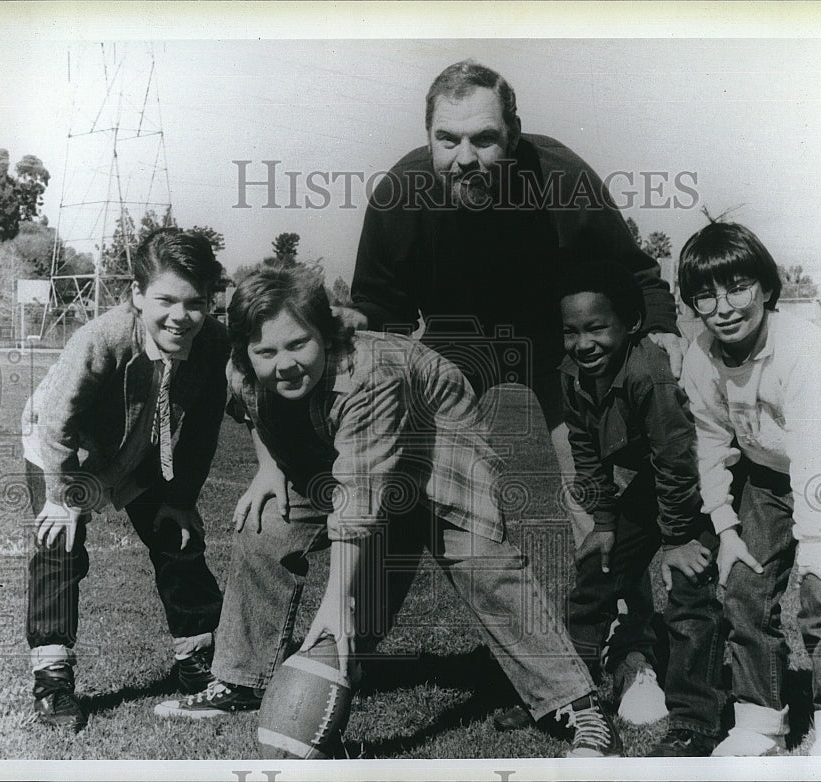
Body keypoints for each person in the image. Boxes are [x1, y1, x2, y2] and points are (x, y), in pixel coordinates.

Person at [155, 262, 624, 758]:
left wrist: (338, 602)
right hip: (347, 454)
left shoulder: (369, 371)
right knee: (267, 523)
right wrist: (269, 469)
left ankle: (579, 708)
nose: (284, 363)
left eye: (299, 344)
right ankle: (242, 681)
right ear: (246, 353)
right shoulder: (242, 370)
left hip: (437, 446)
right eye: (266, 351)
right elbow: (250, 410)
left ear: (328, 334)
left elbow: (360, 493)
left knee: (482, 564)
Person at [341, 60, 684, 550]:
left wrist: (661, 331)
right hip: (454, 340)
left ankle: (617, 613)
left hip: (552, 340)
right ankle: (368, 604)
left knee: (586, 477)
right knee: (418, 470)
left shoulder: (562, 179)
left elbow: (634, 275)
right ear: (428, 137)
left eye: (483, 139)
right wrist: (354, 324)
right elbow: (381, 308)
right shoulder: (399, 194)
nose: (464, 158)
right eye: (447, 140)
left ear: (514, 134)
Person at [677, 220, 821, 756]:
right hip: (769, 469)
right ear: (692, 306)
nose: (724, 307)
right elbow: (709, 443)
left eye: (737, 287)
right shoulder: (700, 355)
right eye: (705, 296)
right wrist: (726, 529)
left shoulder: (801, 345)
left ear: (768, 289)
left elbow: (818, 447)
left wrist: (817, 540)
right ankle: (758, 721)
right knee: (745, 587)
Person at [21, 229, 229, 730]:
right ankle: (52, 680)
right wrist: (61, 496)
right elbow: (55, 424)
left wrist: (181, 498)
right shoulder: (103, 337)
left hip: (144, 449)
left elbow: (202, 426)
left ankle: (199, 663)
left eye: (195, 303)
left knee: (178, 538)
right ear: (136, 295)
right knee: (60, 545)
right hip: (67, 452)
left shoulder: (214, 341)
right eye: (165, 300)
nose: (180, 316)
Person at [552, 256, 724, 756]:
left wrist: (676, 538)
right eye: (571, 332)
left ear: (629, 324)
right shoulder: (572, 374)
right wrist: (604, 522)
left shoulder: (650, 372)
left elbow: (678, 458)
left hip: (706, 479)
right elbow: (586, 452)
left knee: (690, 588)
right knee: (594, 575)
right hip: (659, 483)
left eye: (597, 328)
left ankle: (696, 719)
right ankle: (570, 695)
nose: (584, 344)